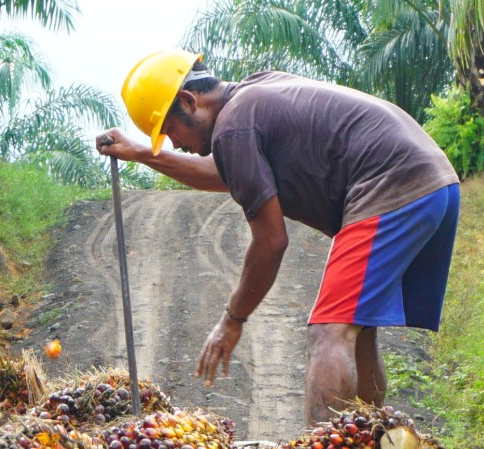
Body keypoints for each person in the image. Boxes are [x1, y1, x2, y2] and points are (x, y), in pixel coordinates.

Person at [97, 50, 459, 425]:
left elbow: (271, 240)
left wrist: (233, 319)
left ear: (189, 101)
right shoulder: (252, 96)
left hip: (392, 186)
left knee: (329, 332)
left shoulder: (234, 126)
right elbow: (225, 173)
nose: (172, 143)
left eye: (169, 129)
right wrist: (142, 154)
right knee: (357, 330)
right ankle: (377, 448)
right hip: (434, 183)